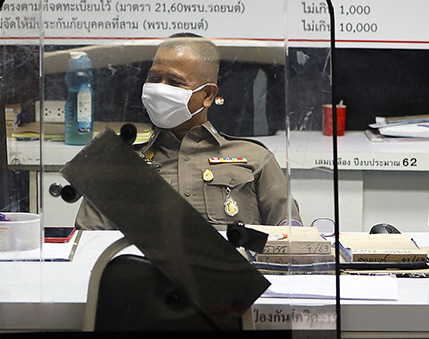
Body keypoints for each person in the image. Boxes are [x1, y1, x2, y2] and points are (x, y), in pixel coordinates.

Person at [74, 36, 300, 229]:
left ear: (208, 95)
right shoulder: (116, 164)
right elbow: (88, 250)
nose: (159, 89)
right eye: (154, 79)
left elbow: (292, 245)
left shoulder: (256, 159)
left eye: (174, 82)